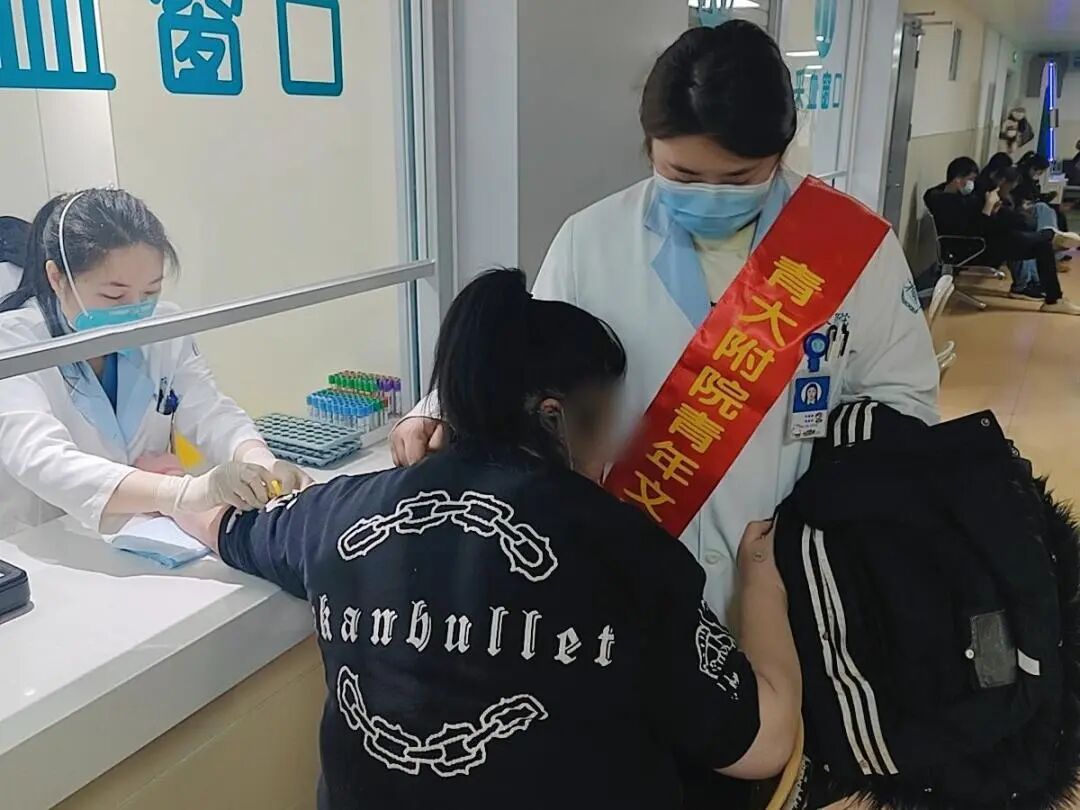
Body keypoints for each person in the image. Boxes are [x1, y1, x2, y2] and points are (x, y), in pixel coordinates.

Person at [184, 269, 802, 809]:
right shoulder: (627, 551)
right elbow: (766, 744)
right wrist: (761, 582)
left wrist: (174, 487)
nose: (615, 446)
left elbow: (224, 523)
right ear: (555, 417)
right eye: (609, 419)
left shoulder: (340, 514)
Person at [393, 21, 939, 617]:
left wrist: (815, 525)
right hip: (624, 566)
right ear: (649, 146)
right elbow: (522, 361)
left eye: (738, 179)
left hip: (785, 582)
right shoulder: (590, 240)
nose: (709, 193)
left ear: (782, 150)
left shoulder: (850, 246)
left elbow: (903, 405)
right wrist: (438, 410)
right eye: (682, 175)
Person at [0, 189, 311, 539]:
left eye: (150, 292)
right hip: (42, 540)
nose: (135, 309)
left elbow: (208, 408)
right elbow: (42, 459)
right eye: (114, 295)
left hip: (142, 534)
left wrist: (257, 457)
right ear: (57, 278)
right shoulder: (13, 343)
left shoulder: (164, 328)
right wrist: (185, 492)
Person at [924, 158, 1080, 312]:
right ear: (958, 179)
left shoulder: (962, 196)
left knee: (1041, 245)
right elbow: (976, 229)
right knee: (1033, 240)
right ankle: (1049, 236)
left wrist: (994, 208)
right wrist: (988, 206)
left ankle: (1054, 299)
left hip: (985, 241)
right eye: (970, 179)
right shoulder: (944, 202)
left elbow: (980, 222)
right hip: (972, 248)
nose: (972, 184)